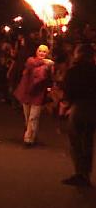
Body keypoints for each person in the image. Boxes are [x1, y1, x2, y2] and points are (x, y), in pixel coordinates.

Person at [61, 43, 96, 187]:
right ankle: (86, 173)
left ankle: (80, 173)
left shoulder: (73, 71)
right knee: (87, 141)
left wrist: (66, 105)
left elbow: (68, 92)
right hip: (93, 107)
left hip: (79, 107)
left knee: (76, 142)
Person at [13, 44, 55, 147]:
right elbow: (31, 64)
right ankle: (32, 135)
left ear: (47, 53)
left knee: (33, 117)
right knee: (28, 117)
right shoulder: (31, 60)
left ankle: (28, 139)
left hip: (38, 93)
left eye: (44, 51)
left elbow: (50, 79)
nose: (42, 53)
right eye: (40, 51)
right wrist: (46, 62)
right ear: (37, 51)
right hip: (27, 92)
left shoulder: (49, 66)